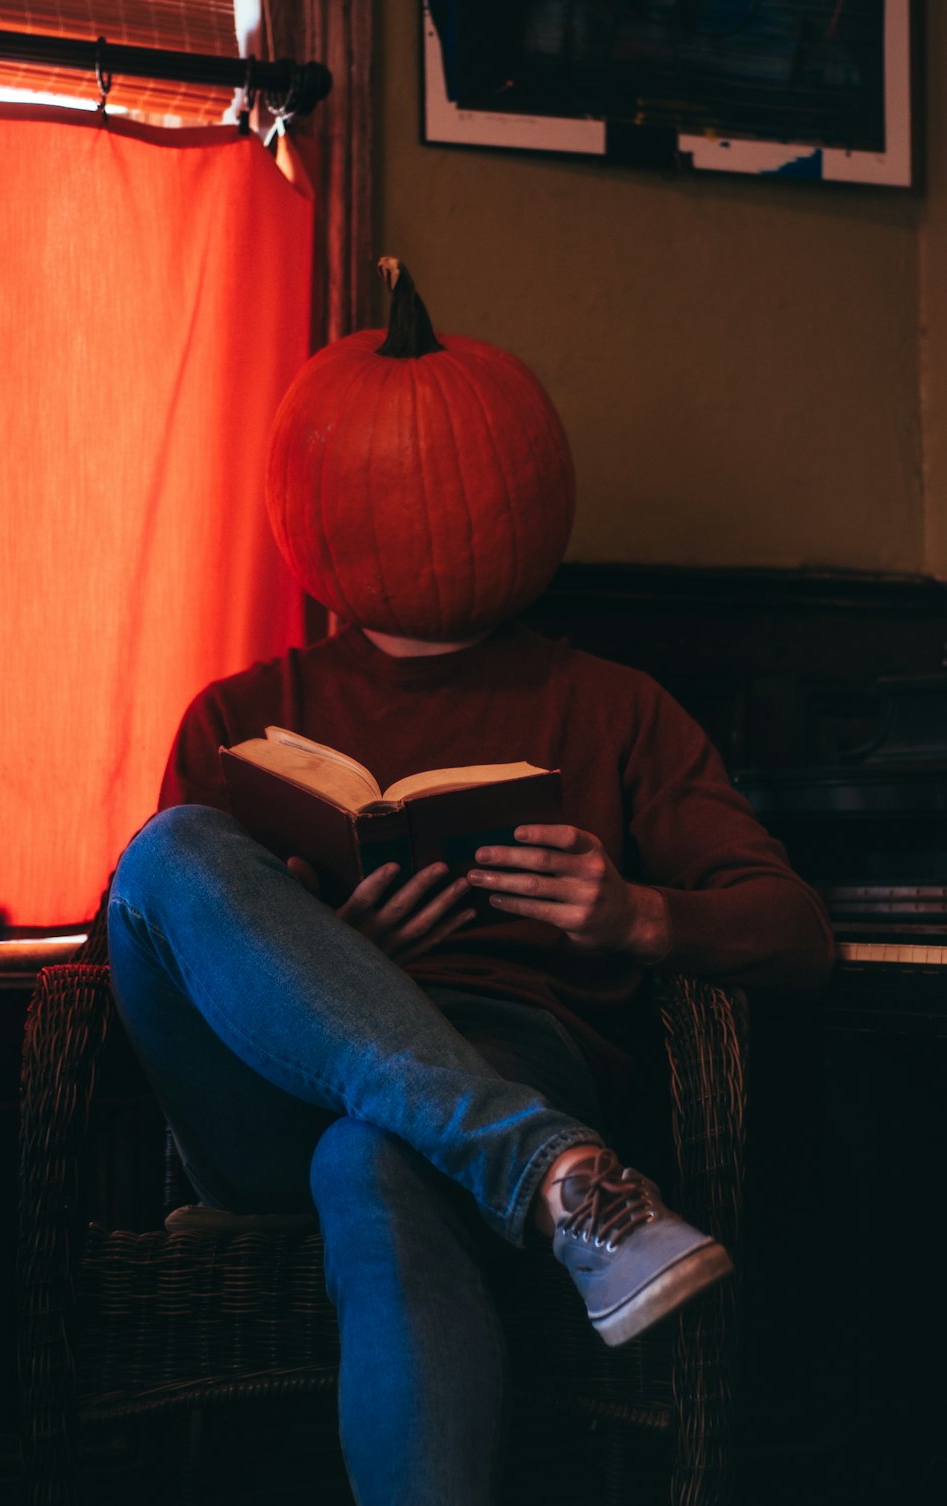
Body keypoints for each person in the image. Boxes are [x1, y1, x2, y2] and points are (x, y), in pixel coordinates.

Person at [107, 611, 834, 1505]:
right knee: (172, 846)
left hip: (501, 1044)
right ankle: (558, 1175)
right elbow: (136, 941)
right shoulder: (243, 711)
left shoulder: (614, 704)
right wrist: (318, 945)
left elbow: (797, 933)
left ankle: (525, 1161)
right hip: (262, 1097)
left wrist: (633, 914)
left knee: (374, 1150)